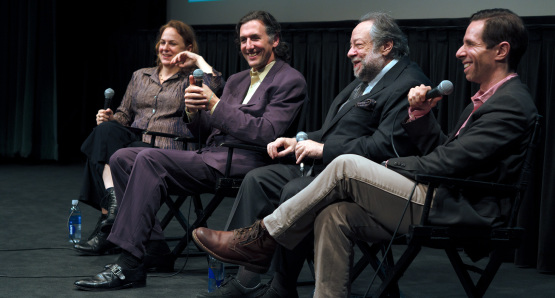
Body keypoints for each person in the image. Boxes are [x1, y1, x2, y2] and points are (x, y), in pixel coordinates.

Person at [192, 8, 537, 298]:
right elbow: (445, 149)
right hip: (438, 194)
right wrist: (421, 117)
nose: (459, 52)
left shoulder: (511, 104)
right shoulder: (484, 98)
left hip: (459, 208)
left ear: (501, 50)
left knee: (346, 166)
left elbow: (449, 163)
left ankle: (261, 238)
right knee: (334, 214)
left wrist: (388, 165)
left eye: (469, 44)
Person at [201, 12, 431, 297]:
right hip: (328, 168)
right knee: (259, 179)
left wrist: (324, 150)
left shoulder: (406, 82)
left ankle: (281, 285)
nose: (350, 53)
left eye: (358, 46)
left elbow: (385, 147)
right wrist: (297, 139)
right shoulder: (364, 80)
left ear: (386, 47)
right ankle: (243, 268)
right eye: (351, 46)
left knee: (293, 188)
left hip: (366, 182)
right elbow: (332, 131)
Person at [73, 10, 307, 291]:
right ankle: (155, 247)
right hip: (209, 155)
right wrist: (193, 112)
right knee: (122, 157)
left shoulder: (290, 80)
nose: (248, 46)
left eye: (255, 38)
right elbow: (206, 132)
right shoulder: (237, 80)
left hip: (245, 161)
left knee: (147, 158)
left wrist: (216, 105)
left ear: (275, 40)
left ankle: (129, 264)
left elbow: (267, 132)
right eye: (243, 40)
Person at [75, 20, 224, 256]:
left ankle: (109, 221)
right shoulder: (140, 76)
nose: (165, 47)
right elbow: (125, 117)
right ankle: (113, 214)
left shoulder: (192, 79)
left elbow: (216, 85)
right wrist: (111, 118)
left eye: (172, 43)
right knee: (104, 132)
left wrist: (197, 60)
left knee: (102, 148)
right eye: (162, 42)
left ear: (187, 47)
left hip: (169, 151)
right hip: (133, 144)